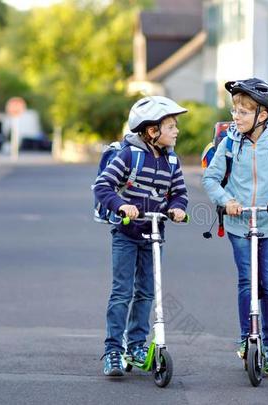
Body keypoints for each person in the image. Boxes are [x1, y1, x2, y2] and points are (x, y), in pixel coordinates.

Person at [202, 78, 268, 377]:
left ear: (262, 115)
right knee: (248, 281)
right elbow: (210, 178)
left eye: (243, 112)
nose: (236, 117)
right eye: (235, 110)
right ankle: (248, 339)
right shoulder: (230, 142)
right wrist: (227, 199)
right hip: (238, 222)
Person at [93, 96, 189, 376]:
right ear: (151, 131)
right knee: (122, 292)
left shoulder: (172, 160)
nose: (176, 131)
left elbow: (179, 193)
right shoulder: (130, 155)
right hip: (126, 234)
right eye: (171, 126)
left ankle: (136, 345)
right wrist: (122, 205)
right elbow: (103, 186)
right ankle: (113, 350)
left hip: (154, 234)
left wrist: (177, 208)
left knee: (147, 293)